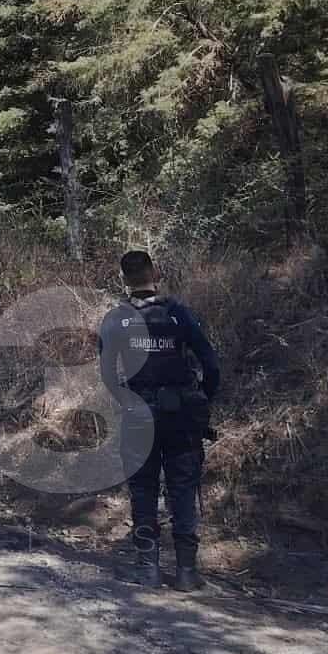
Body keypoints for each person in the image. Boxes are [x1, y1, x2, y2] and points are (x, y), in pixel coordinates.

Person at [99, 250, 221, 591]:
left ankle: (148, 568)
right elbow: (210, 365)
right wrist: (201, 400)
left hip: (139, 414)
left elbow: (108, 374)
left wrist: (128, 401)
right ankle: (185, 572)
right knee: (183, 487)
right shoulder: (177, 313)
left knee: (143, 489)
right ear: (155, 272)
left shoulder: (115, 319)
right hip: (181, 414)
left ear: (123, 279)